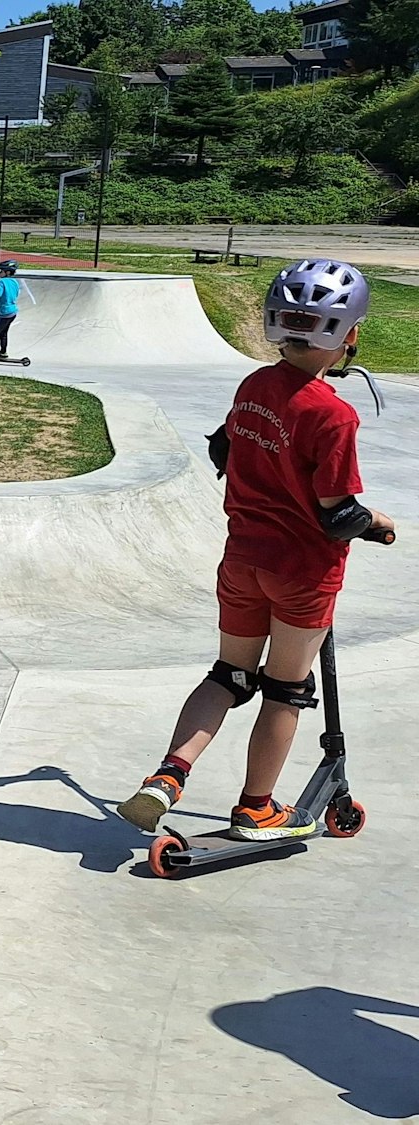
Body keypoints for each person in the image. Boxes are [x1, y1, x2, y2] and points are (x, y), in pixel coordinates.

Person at [117, 259, 395, 842]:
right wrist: (377, 522)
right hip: (301, 572)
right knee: (286, 690)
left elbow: (224, 450)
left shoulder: (254, 386)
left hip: (242, 559)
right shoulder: (333, 414)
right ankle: (256, 807)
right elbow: (338, 514)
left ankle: (167, 777)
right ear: (349, 335)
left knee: (229, 676)